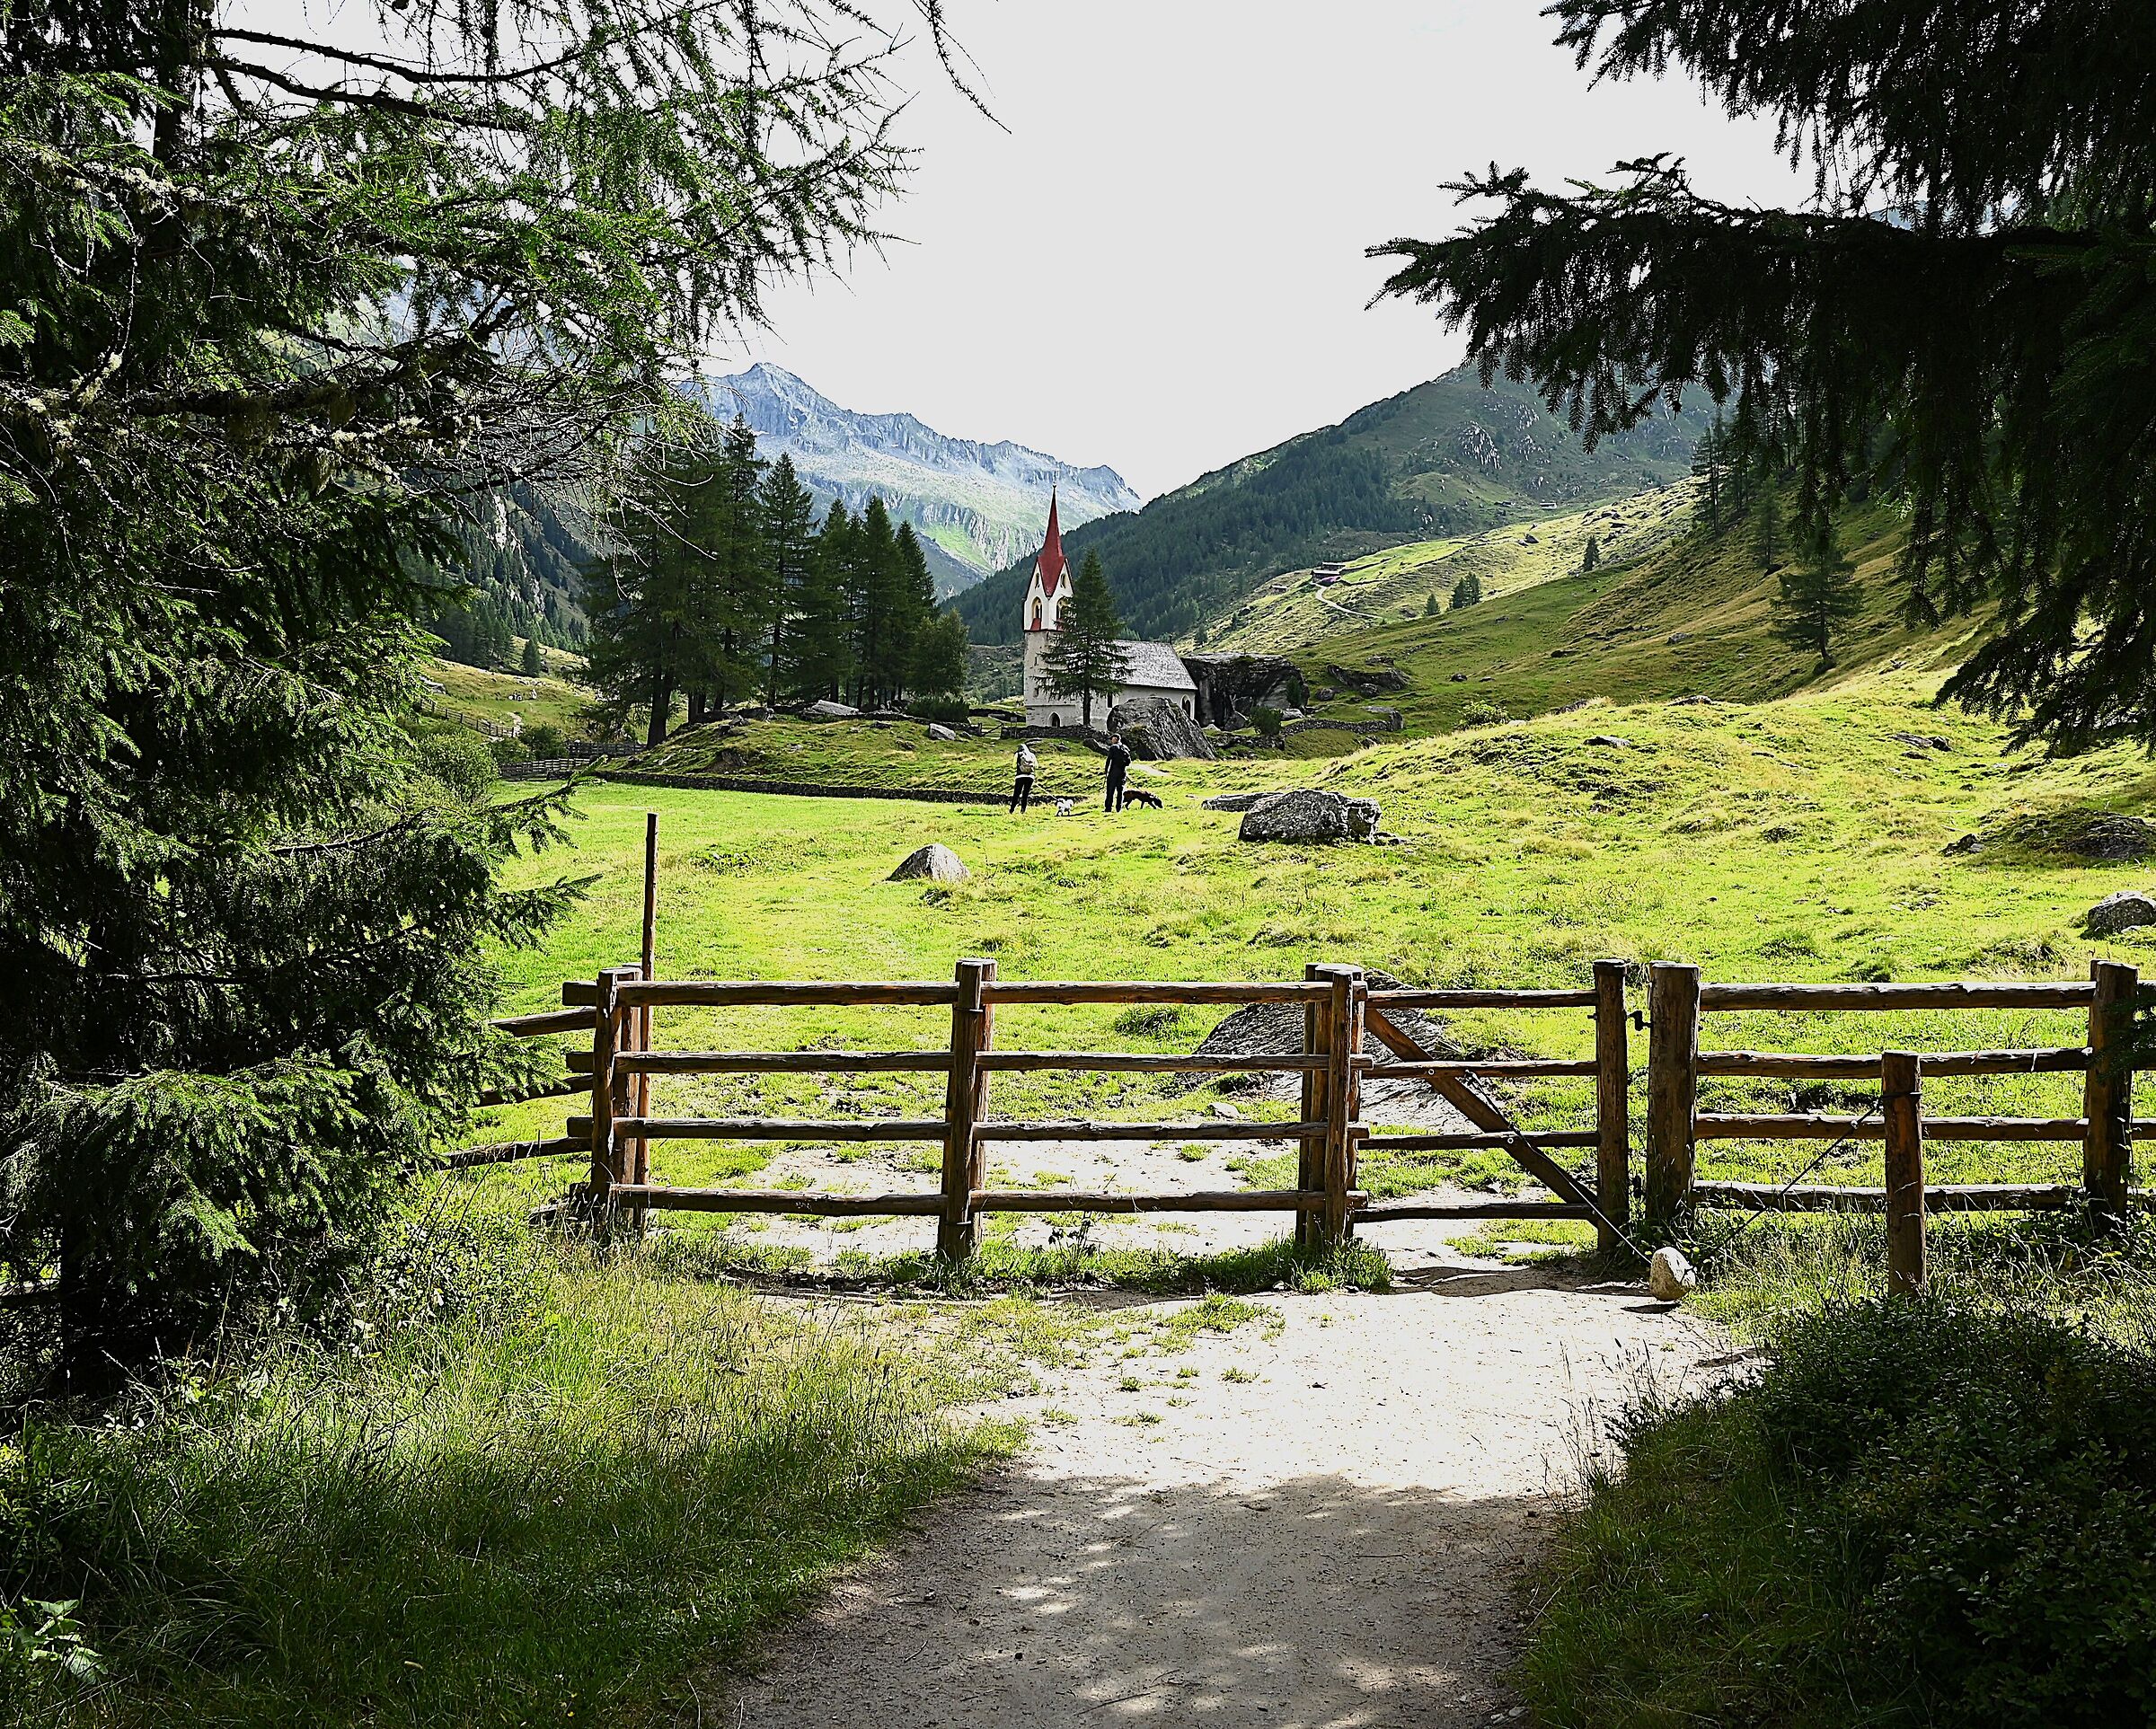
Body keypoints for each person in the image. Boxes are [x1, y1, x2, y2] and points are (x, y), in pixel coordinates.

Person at [1103, 731, 1132, 813]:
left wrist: (1106, 770)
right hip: (1122, 773)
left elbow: (1109, 759)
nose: (1111, 740)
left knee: (1110, 791)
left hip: (1113, 773)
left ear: (1115, 739)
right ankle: (1118, 808)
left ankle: (1108, 808)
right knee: (1120, 791)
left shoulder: (1113, 747)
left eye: (1112, 739)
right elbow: (1129, 761)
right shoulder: (1125, 748)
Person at [1009, 740, 1038, 814]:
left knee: (1016, 793)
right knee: (1025, 794)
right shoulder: (1032, 755)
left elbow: (1013, 766)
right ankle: (1023, 810)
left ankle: (1012, 810)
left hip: (1020, 776)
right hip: (1030, 777)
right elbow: (1036, 766)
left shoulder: (1018, 754)